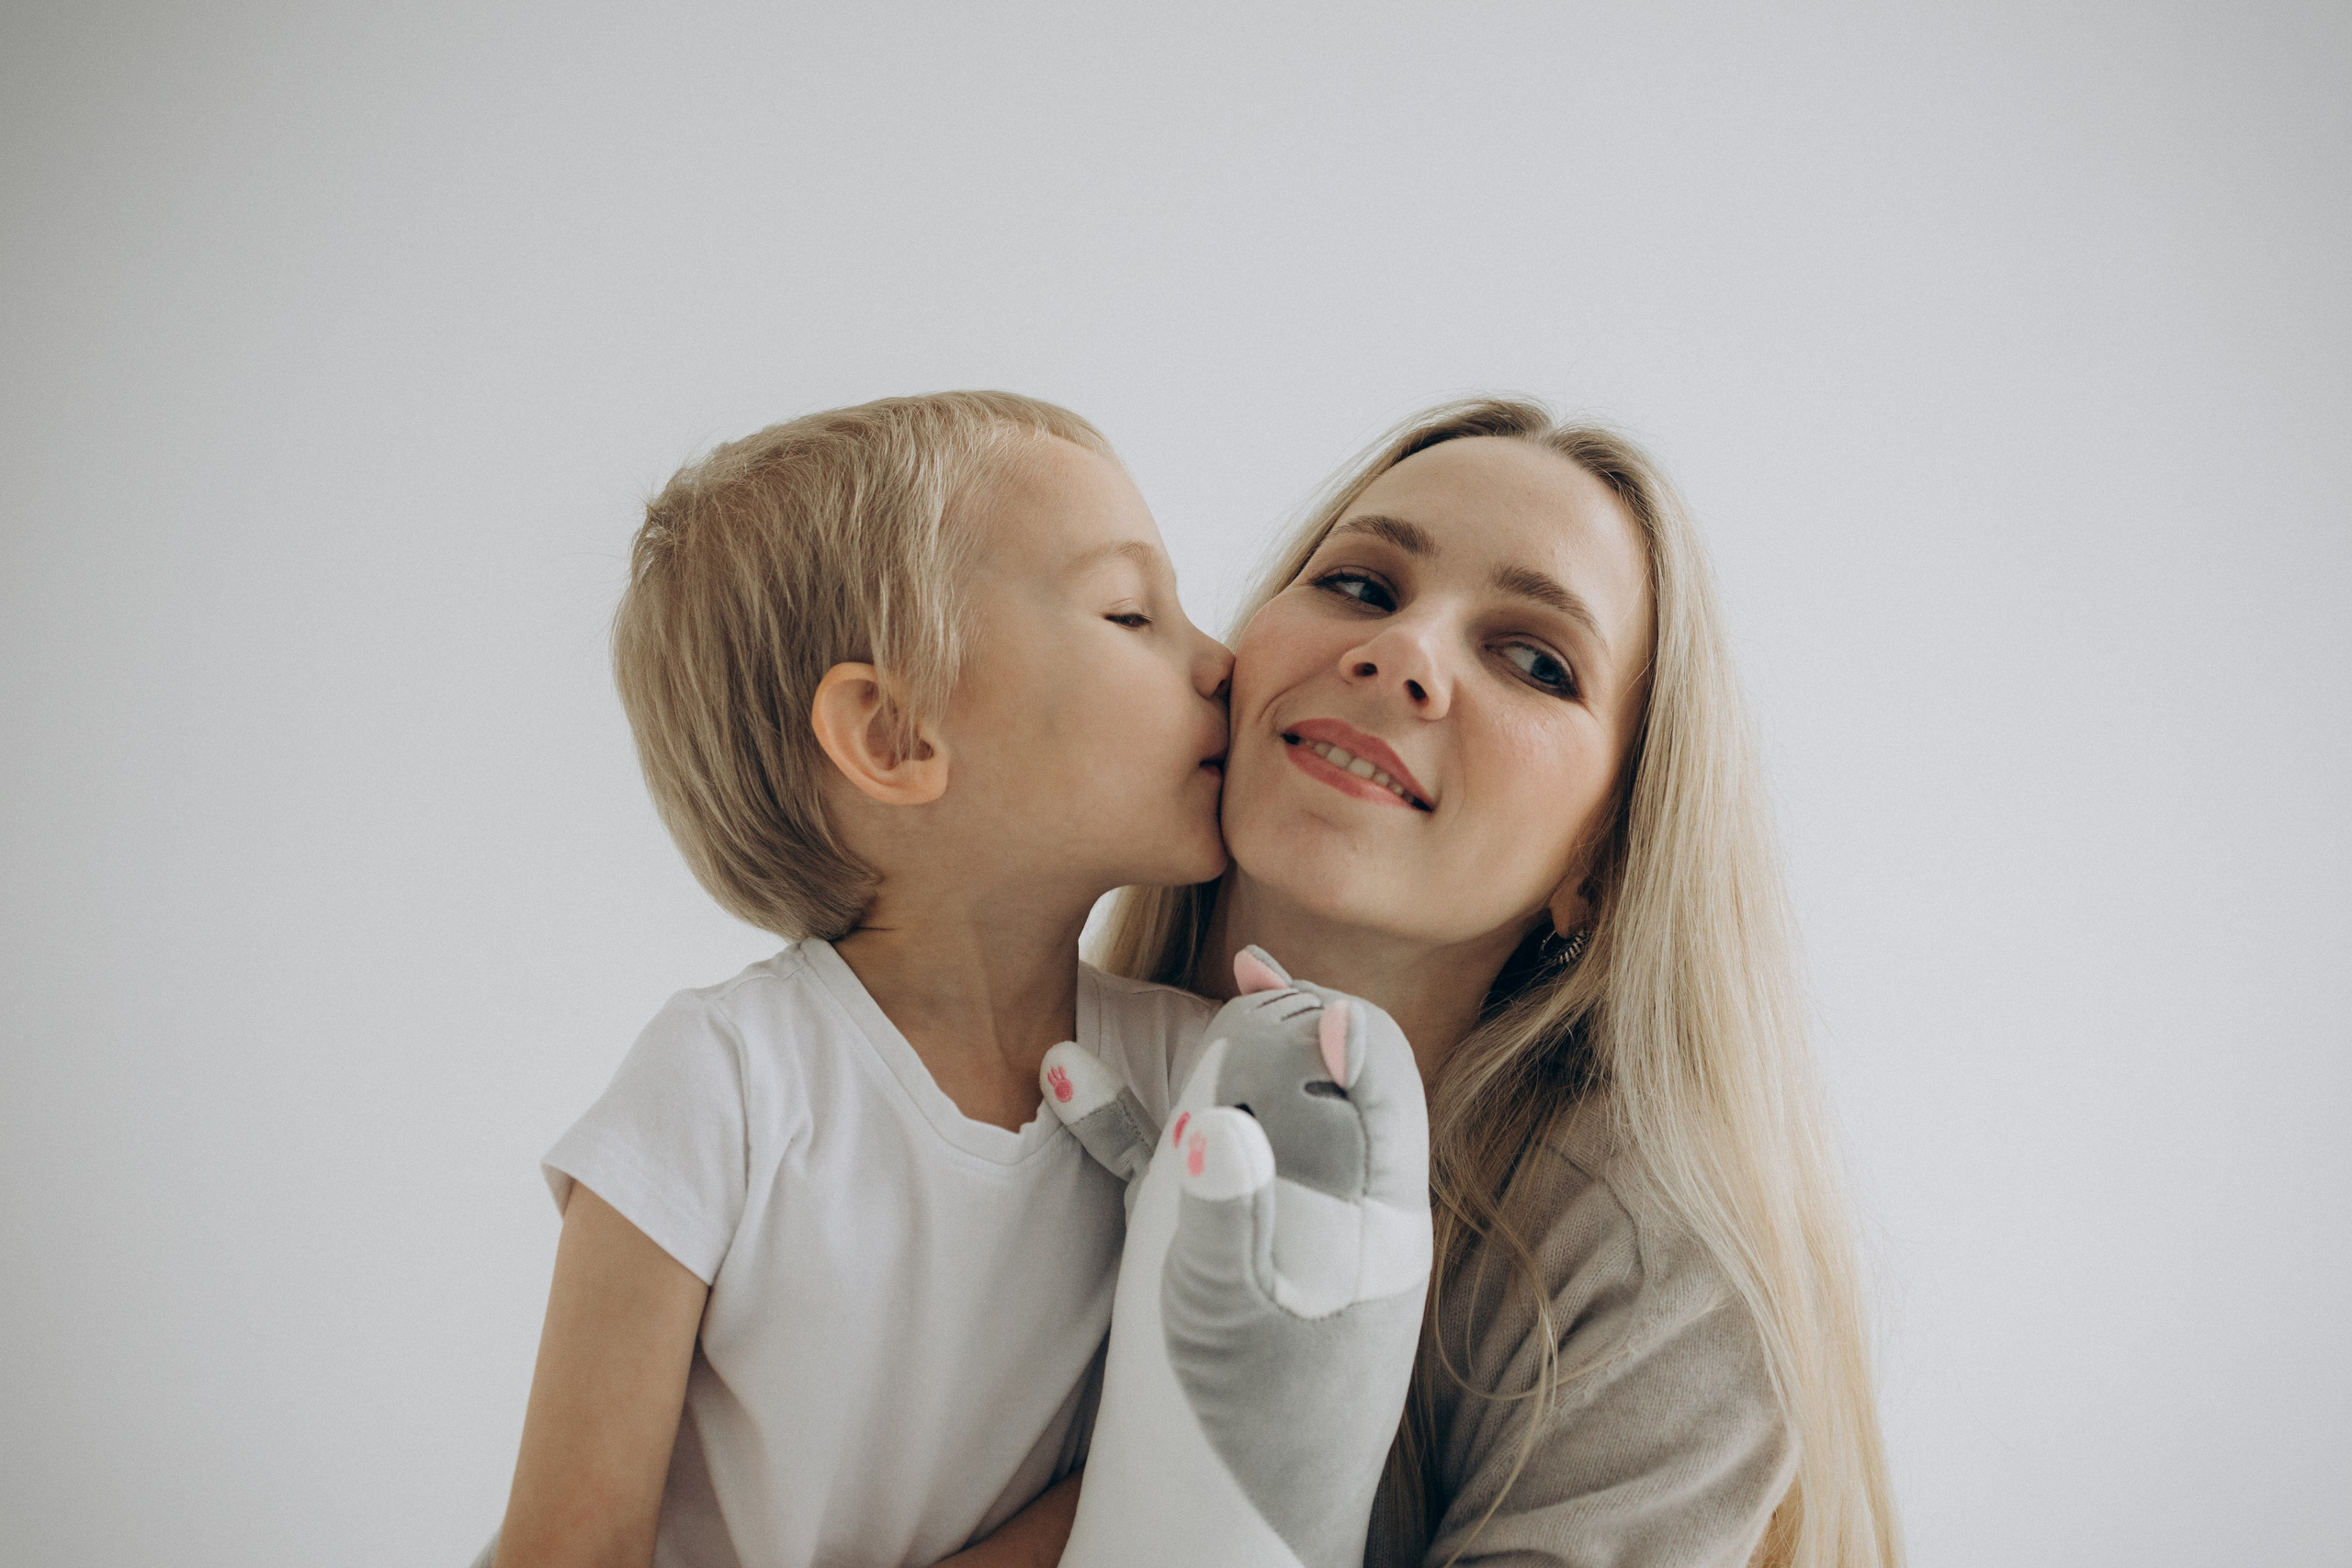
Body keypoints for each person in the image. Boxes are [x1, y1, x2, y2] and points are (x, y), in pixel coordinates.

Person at [1099, 400, 1905, 1567]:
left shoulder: (1647, 1265)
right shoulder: (1027, 1079)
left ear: (1602, 859)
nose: (1402, 653)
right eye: (1364, 587)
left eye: (1534, 659)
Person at [488, 391, 1236, 1568]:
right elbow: (565, 1550)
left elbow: (1178, 1470)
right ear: (893, 737)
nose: (1221, 659)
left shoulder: (1199, 1074)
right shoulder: (723, 1084)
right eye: (1132, 611)